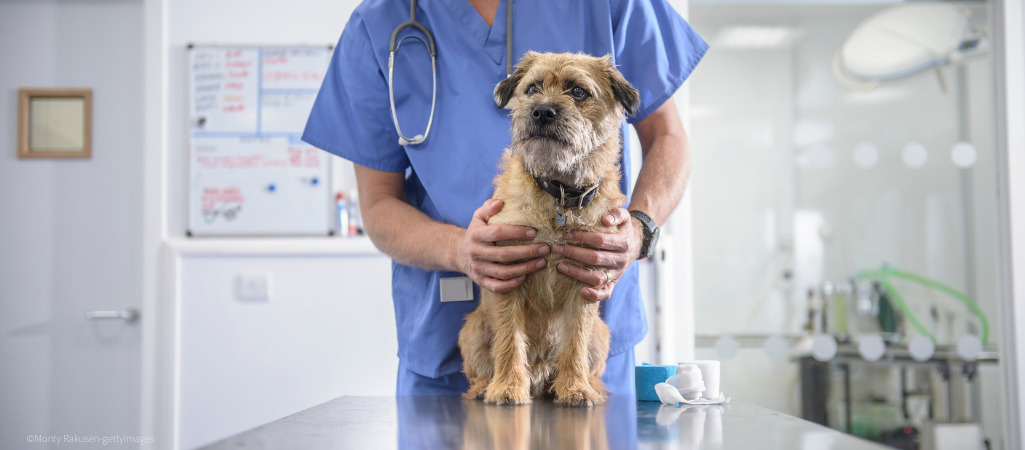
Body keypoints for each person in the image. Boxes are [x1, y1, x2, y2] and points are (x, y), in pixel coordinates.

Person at [302, 0, 707, 396]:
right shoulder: (378, 22)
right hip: (447, 343)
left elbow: (668, 135)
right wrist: (461, 250)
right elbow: (377, 204)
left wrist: (638, 230)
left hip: (590, 336)